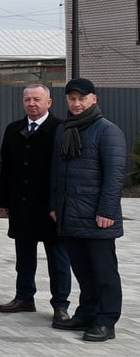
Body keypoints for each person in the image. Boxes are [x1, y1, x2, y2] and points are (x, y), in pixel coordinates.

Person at [50, 78, 126, 342]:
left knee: (104, 272)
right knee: (82, 270)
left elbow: (115, 176)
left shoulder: (107, 131)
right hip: (70, 214)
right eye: (72, 98)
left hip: (97, 217)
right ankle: (86, 313)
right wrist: (54, 205)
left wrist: (106, 211)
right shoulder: (64, 130)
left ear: (94, 99)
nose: (76, 103)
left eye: (82, 98)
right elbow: (57, 172)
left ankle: (106, 321)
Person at [0, 84, 70, 323]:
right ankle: (24, 297)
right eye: (27, 99)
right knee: (24, 255)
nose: (32, 103)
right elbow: (5, 167)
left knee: (58, 259)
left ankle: (60, 304)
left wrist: (59, 204)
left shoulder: (61, 129)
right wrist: (5, 199)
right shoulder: (13, 129)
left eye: (37, 99)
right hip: (21, 204)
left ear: (49, 102)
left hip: (50, 207)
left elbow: (65, 171)